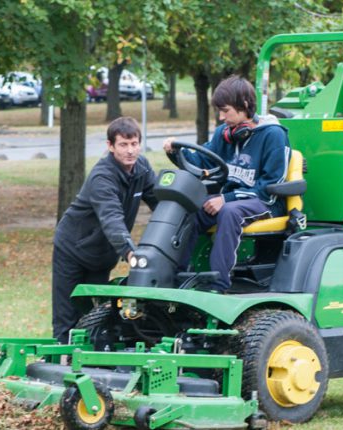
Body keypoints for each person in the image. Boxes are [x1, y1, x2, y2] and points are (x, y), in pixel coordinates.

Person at [163, 75, 289, 293]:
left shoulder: (274, 135)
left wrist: (226, 199)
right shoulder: (225, 134)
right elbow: (202, 162)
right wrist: (177, 153)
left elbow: (270, 188)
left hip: (266, 203)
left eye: (226, 111)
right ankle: (175, 277)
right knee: (191, 210)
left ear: (245, 106)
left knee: (229, 212)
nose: (221, 117)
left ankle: (219, 285)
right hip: (231, 200)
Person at [52, 117, 157, 344]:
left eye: (134, 144)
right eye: (123, 145)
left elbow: (161, 203)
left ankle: (92, 365)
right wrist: (131, 253)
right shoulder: (103, 177)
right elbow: (112, 218)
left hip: (102, 256)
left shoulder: (142, 169)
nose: (130, 151)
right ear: (110, 146)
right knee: (67, 316)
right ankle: (57, 363)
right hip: (73, 249)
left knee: (96, 317)